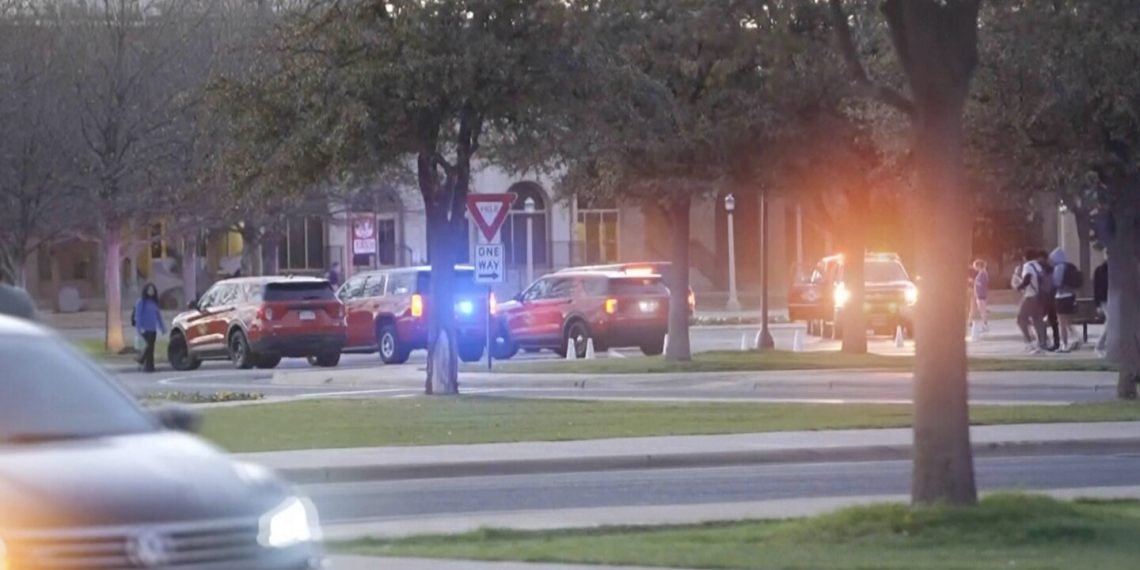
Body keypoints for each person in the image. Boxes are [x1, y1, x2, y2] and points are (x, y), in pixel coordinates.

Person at [1014, 250, 1048, 353]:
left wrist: (1019, 287)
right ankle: (1042, 343)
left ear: (1025, 257)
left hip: (1030, 295)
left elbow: (1027, 278)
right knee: (1038, 320)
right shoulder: (1038, 266)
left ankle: (1030, 342)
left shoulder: (1027, 266)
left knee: (1020, 319)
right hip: (1040, 296)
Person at [1050, 248, 1079, 352]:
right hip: (1071, 295)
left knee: (1062, 322)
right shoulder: (1070, 266)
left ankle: (1065, 344)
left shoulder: (1058, 268)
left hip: (1061, 296)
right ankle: (1076, 337)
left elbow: (1056, 283)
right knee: (1067, 321)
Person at [133, 283, 166, 372]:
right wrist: (139, 329)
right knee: (147, 347)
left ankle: (150, 367)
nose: (150, 292)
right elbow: (138, 316)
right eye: (149, 290)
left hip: (153, 329)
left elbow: (158, 316)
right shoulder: (141, 301)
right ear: (146, 290)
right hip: (144, 329)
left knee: (151, 349)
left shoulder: (154, 303)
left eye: (152, 290)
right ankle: (142, 360)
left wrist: (162, 327)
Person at [1037, 249, 1060, 351]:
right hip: (1051, 297)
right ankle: (1055, 342)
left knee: (1041, 320)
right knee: (1053, 322)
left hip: (1045, 298)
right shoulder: (1052, 268)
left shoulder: (1043, 269)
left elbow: (1044, 284)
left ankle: (1044, 342)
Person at [1094, 260, 1109, 357]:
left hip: (1115, 298)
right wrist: (1097, 304)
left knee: (1110, 322)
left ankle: (1105, 345)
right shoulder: (1100, 270)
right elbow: (1096, 287)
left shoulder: (1119, 267)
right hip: (1104, 299)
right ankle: (1100, 345)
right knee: (1111, 322)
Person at [972, 259, 990, 332]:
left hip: (981, 294)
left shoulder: (983, 274)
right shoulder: (981, 273)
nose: (975, 268)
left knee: (982, 310)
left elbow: (983, 284)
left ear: (979, 266)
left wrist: (974, 282)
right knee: (981, 310)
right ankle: (984, 325)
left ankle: (985, 325)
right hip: (980, 294)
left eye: (976, 266)